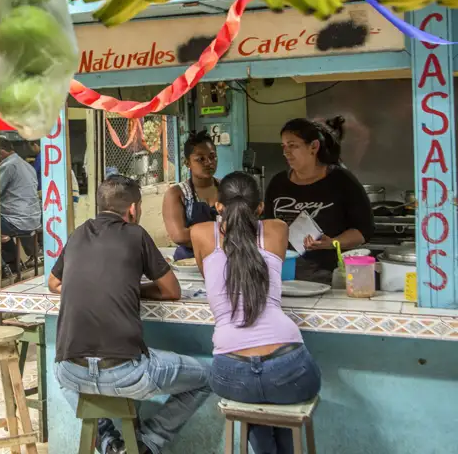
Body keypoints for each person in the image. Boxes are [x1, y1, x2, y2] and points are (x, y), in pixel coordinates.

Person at [49, 175, 211, 454]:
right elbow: (172, 290)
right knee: (209, 376)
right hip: (125, 374)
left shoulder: (77, 234)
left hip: (71, 372)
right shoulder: (136, 235)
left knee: (60, 375)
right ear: (133, 209)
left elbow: (53, 283)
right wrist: (131, 287)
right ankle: (147, 443)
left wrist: (94, 284)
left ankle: (109, 442)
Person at [191, 172, 321, 454]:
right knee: (278, 403)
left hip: (230, 373)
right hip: (290, 368)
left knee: (255, 401)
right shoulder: (276, 229)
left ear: (218, 206)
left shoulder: (200, 234)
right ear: (260, 207)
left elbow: (208, 275)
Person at [264, 117, 374, 283]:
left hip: (329, 275)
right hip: (285, 275)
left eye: (293, 146)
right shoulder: (277, 183)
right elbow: (268, 227)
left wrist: (332, 243)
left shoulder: (341, 180)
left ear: (313, 147)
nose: (286, 152)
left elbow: (364, 230)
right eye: (284, 146)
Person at [162, 130, 219, 261]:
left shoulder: (226, 188)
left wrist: (194, 232)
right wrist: (223, 231)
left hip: (222, 259)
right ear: (187, 163)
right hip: (189, 262)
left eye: (212, 156)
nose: (208, 162)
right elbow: (179, 236)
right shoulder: (176, 194)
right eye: (201, 159)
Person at [0, 137, 41, 275]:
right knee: (0, 229)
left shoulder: (8, 165)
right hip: (33, 219)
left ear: (1, 152)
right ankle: (14, 264)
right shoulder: (27, 165)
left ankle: (9, 266)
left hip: (17, 221)